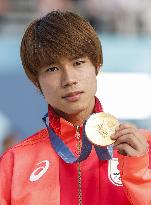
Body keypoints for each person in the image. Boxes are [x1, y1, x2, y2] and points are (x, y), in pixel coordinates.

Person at [0, 10, 151, 205]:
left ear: (97, 65)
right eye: (52, 69)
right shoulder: (14, 163)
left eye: (78, 63)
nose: (69, 80)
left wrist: (138, 175)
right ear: (36, 81)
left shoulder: (144, 147)